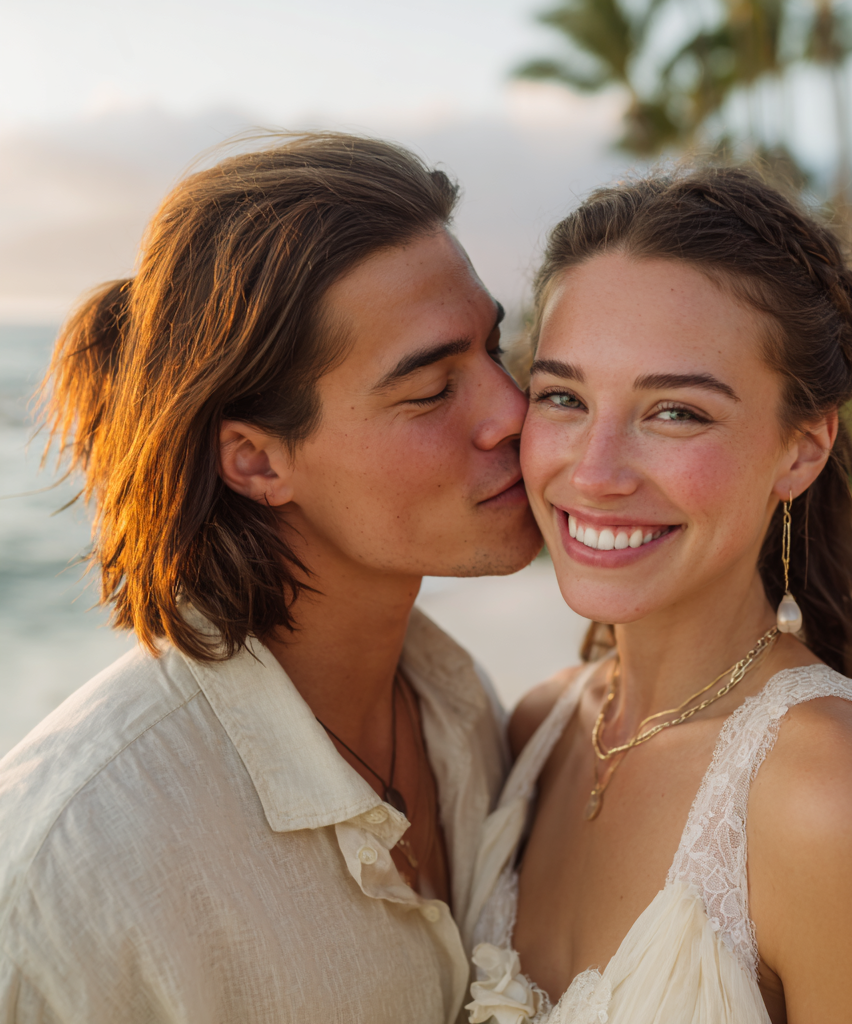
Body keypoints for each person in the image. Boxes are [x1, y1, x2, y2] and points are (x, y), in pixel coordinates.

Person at [0, 132, 542, 1023]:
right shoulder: (79, 870)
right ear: (255, 461)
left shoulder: (461, 708)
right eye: (431, 389)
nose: (512, 411)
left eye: (494, 347)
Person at [465, 168, 852, 1024]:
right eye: (563, 397)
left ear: (802, 449)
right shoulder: (540, 731)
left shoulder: (840, 797)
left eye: (675, 413)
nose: (593, 473)